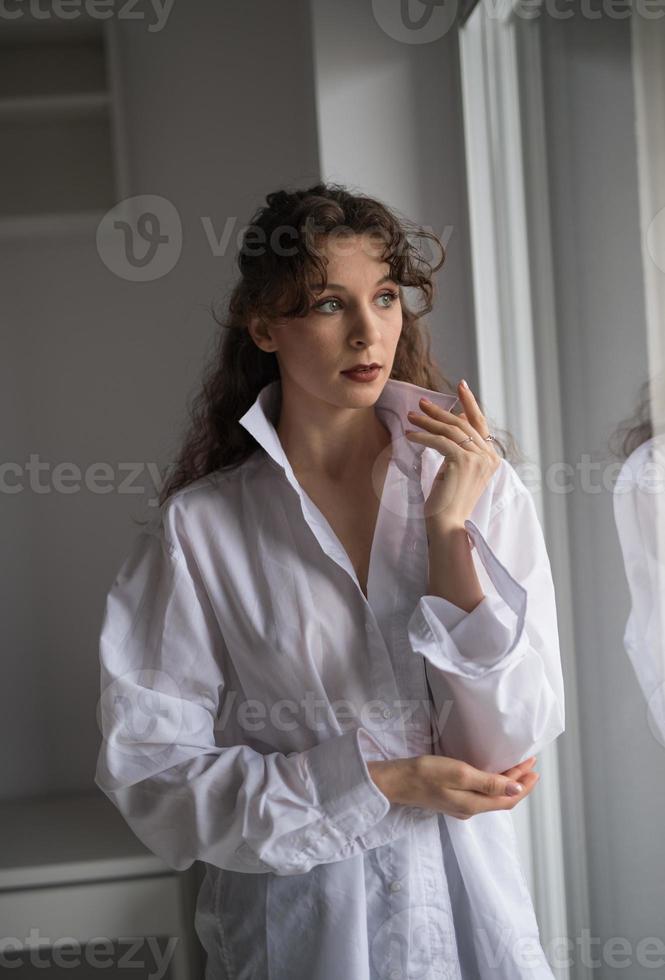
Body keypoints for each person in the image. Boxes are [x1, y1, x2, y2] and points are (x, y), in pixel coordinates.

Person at [94, 182, 565, 979]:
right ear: (264, 326)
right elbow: (152, 773)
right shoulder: (201, 530)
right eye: (326, 303)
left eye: (384, 298)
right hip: (309, 937)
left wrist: (448, 534)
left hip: (475, 929)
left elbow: (507, 743)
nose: (366, 332)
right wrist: (377, 782)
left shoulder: (476, 488)